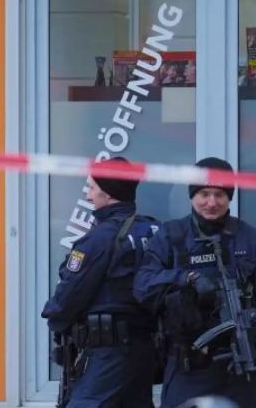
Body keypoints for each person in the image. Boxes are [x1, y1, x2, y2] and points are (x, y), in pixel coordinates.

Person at [134, 157, 256, 408]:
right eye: (204, 193)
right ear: (192, 195)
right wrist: (186, 278)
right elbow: (143, 286)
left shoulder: (248, 238)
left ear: (229, 198)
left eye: (220, 195)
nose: (212, 202)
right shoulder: (171, 236)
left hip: (238, 365)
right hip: (187, 363)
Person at [41, 157, 160, 407]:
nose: (88, 197)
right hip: (147, 347)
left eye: (92, 189)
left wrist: (56, 321)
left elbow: (69, 295)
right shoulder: (154, 230)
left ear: (107, 193)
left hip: (109, 351)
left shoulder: (99, 239)